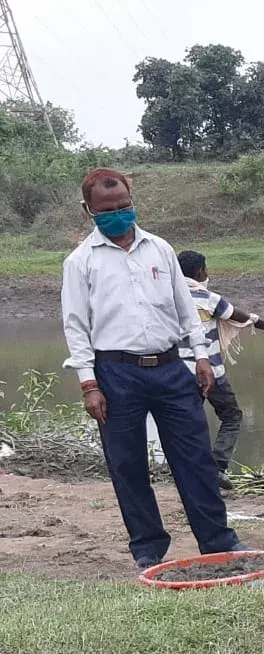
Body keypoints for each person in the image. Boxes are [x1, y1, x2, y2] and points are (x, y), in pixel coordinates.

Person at [61, 168, 244, 568]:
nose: (117, 215)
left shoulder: (160, 249)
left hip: (170, 368)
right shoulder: (80, 263)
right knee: (127, 465)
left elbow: (185, 309)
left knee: (195, 458)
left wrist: (200, 356)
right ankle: (148, 548)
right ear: (88, 209)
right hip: (114, 374)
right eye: (106, 210)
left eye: (123, 206)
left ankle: (217, 541)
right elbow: (76, 327)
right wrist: (89, 385)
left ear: (132, 199)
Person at [176, 250, 264, 490]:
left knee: (189, 424)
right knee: (232, 416)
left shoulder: (169, 299)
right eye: (206, 269)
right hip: (212, 373)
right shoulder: (209, 298)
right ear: (200, 272)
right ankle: (218, 467)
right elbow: (243, 317)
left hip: (179, 375)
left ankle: (190, 472)